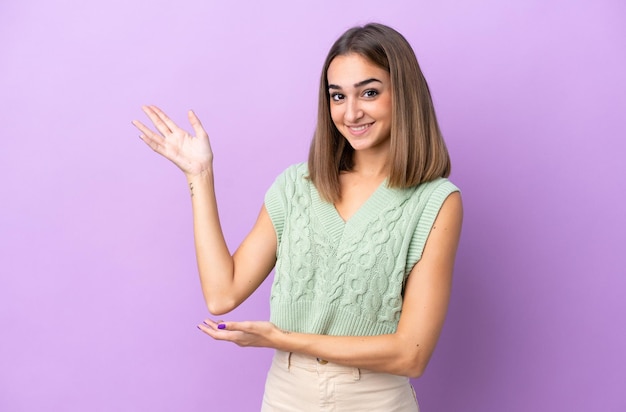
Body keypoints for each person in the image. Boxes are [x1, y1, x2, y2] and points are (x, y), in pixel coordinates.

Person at [133, 22, 462, 412]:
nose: (351, 112)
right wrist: (199, 176)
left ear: (403, 95)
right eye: (337, 96)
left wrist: (283, 339)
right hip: (286, 397)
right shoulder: (295, 186)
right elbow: (223, 294)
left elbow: (411, 355)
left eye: (369, 93)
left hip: (375, 400)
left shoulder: (435, 201)